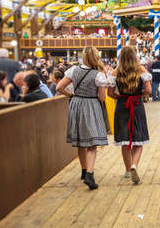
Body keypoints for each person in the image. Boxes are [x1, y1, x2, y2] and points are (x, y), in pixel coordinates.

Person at [56, 47, 109, 190]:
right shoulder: (98, 75)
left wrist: (71, 96)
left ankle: (84, 170)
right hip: (91, 105)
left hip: (76, 104)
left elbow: (59, 87)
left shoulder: (73, 70)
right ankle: (90, 175)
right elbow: (102, 98)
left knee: (80, 140)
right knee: (92, 143)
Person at [108, 46, 152, 184]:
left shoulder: (116, 72)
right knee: (138, 139)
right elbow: (149, 90)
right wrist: (139, 96)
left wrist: (121, 98)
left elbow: (110, 93)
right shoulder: (141, 70)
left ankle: (128, 170)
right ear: (135, 56)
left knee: (125, 140)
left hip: (122, 106)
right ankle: (134, 165)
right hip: (137, 105)